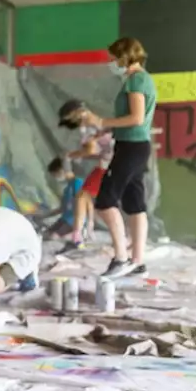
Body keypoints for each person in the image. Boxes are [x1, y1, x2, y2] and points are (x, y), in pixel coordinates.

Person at [76, 37, 157, 277]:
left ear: (125, 56)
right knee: (135, 203)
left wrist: (101, 121)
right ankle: (138, 261)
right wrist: (106, 128)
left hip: (131, 146)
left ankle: (121, 257)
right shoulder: (141, 79)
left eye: (114, 57)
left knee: (104, 200)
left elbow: (136, 118)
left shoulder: (136, 80)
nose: (111, 62)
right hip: (134, 144)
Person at [56, 99, 115, 249]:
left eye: (69, 118)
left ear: (74, 113)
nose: (70, 122)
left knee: (90, 199)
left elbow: (91, 149)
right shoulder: (95, 120)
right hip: (109, 162)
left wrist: (72, 155)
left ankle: (79, 236)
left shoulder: (86, 122)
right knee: (84, 197)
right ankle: (81, 234)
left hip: (109, 164)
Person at [46, 155, 83, 240]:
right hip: (65, 219)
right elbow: (62, 208)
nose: (55, 178)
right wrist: (44, 215)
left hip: (74, 221)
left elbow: (81, 208)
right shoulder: (67, 189)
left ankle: (80, 234)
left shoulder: (78, 183)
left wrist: (78, 227)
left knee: (53, 237)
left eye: (55, 174)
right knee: (46, 234)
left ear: (62, 170)